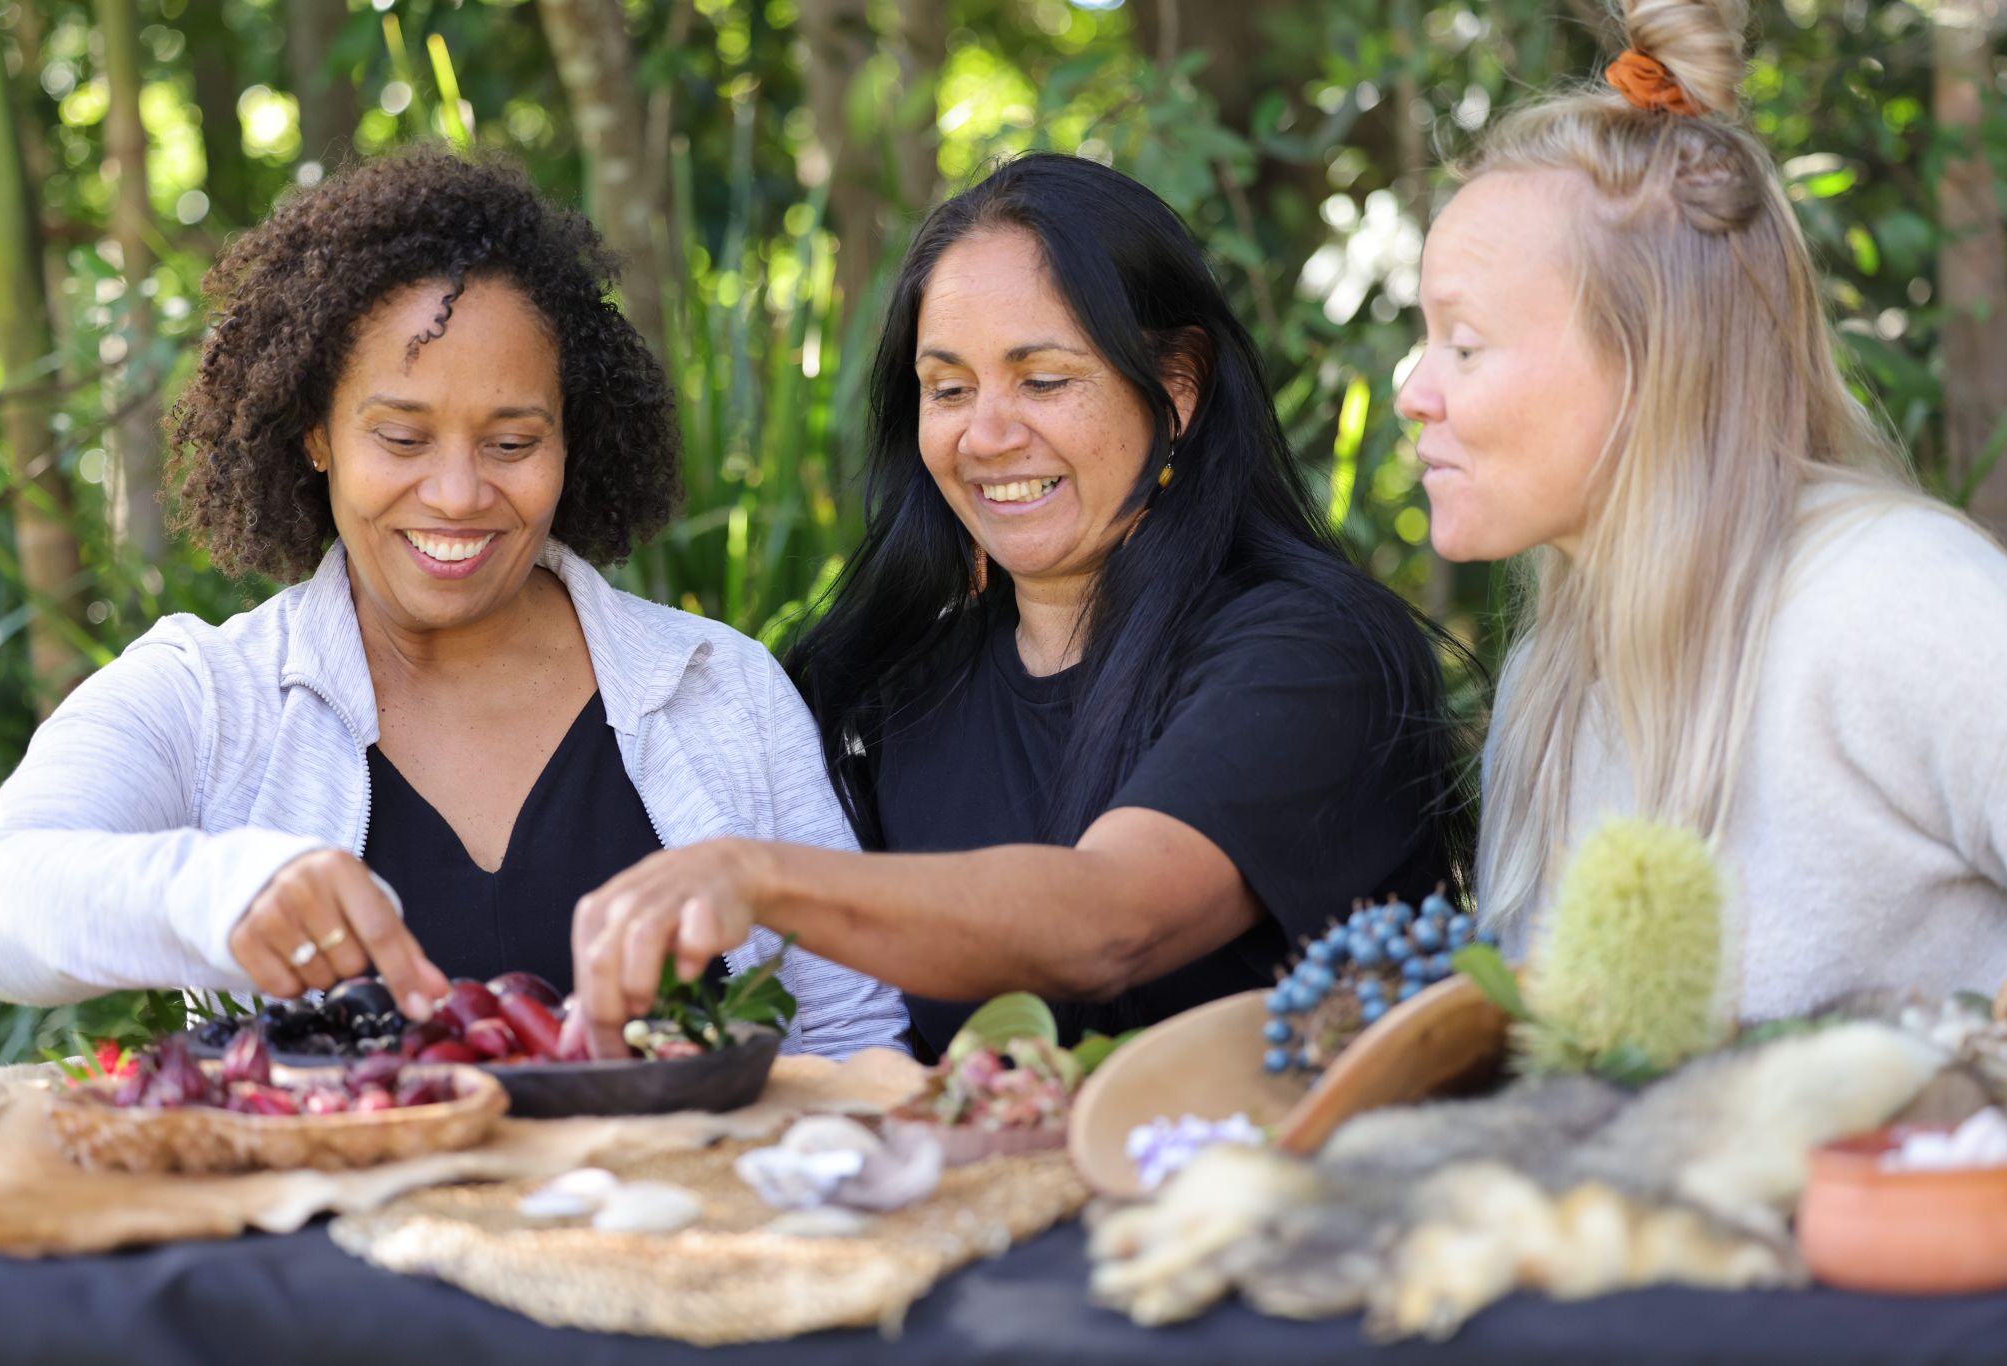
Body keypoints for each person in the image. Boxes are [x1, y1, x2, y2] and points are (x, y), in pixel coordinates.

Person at [0, 148, 904, 1060]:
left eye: (511, 442)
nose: (456, 494)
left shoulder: (719, 690)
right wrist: (216, 890)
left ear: (573, 441)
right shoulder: (211, 697)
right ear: (315, 434)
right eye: (402, 437)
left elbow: (853, 1038)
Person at [563, 152, 1466, 1058]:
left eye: (1043, 380)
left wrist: (758, 877)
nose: (986, 437)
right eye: (949, 390)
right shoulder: (892, 694)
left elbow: (1111, 922)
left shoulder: (1309, 657)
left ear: (1179, 389)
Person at [1396, 0, 2007, 1018]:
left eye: (1462, 343)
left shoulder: (1898, 603)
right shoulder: (1546, 681)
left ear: (1649, 364)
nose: (1415, 388)